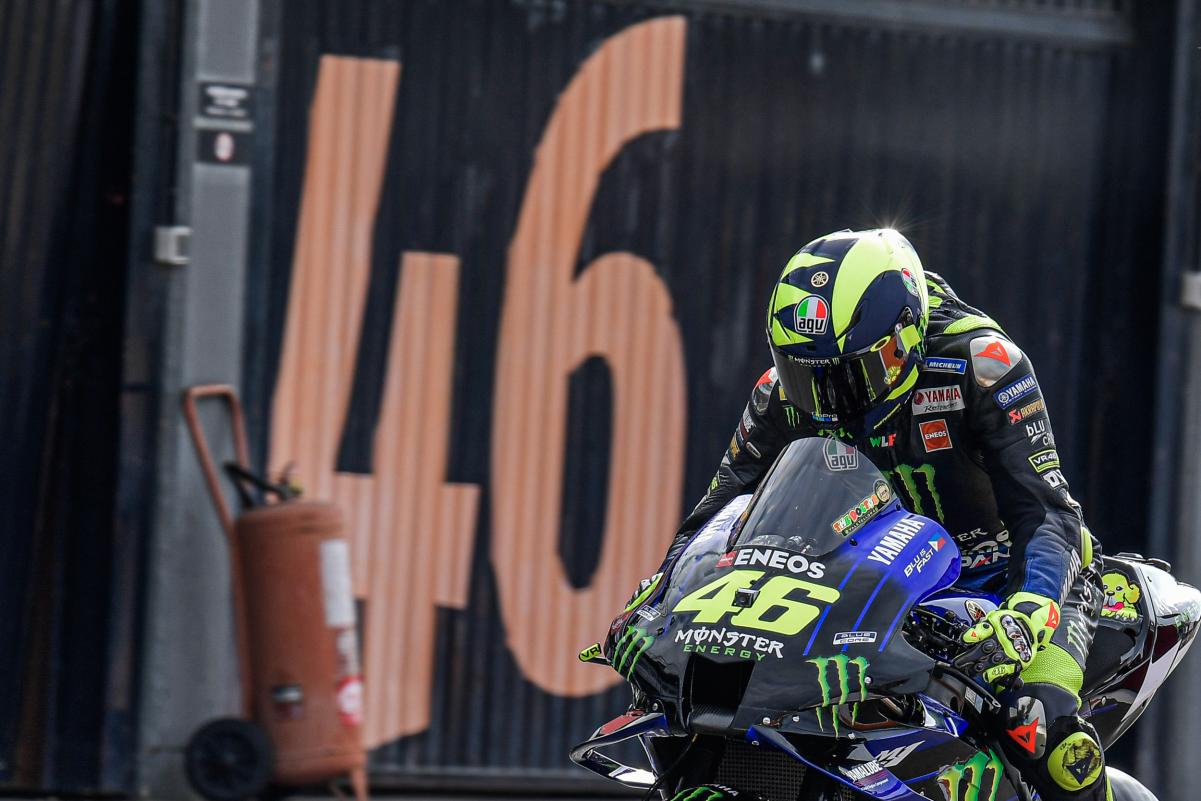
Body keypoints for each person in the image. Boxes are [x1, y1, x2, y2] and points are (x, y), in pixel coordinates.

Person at [623, 229, 1108, 801]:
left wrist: (1028, 611)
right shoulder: (781, 394)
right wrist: (664, 593)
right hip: (881, 592)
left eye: (847, 375)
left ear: (904, 338)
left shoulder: (984, 366)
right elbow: (719, 510)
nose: (826, 399)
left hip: (1012, 581)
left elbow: (1049, 513)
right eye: (806, 375)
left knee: (1041, 728)